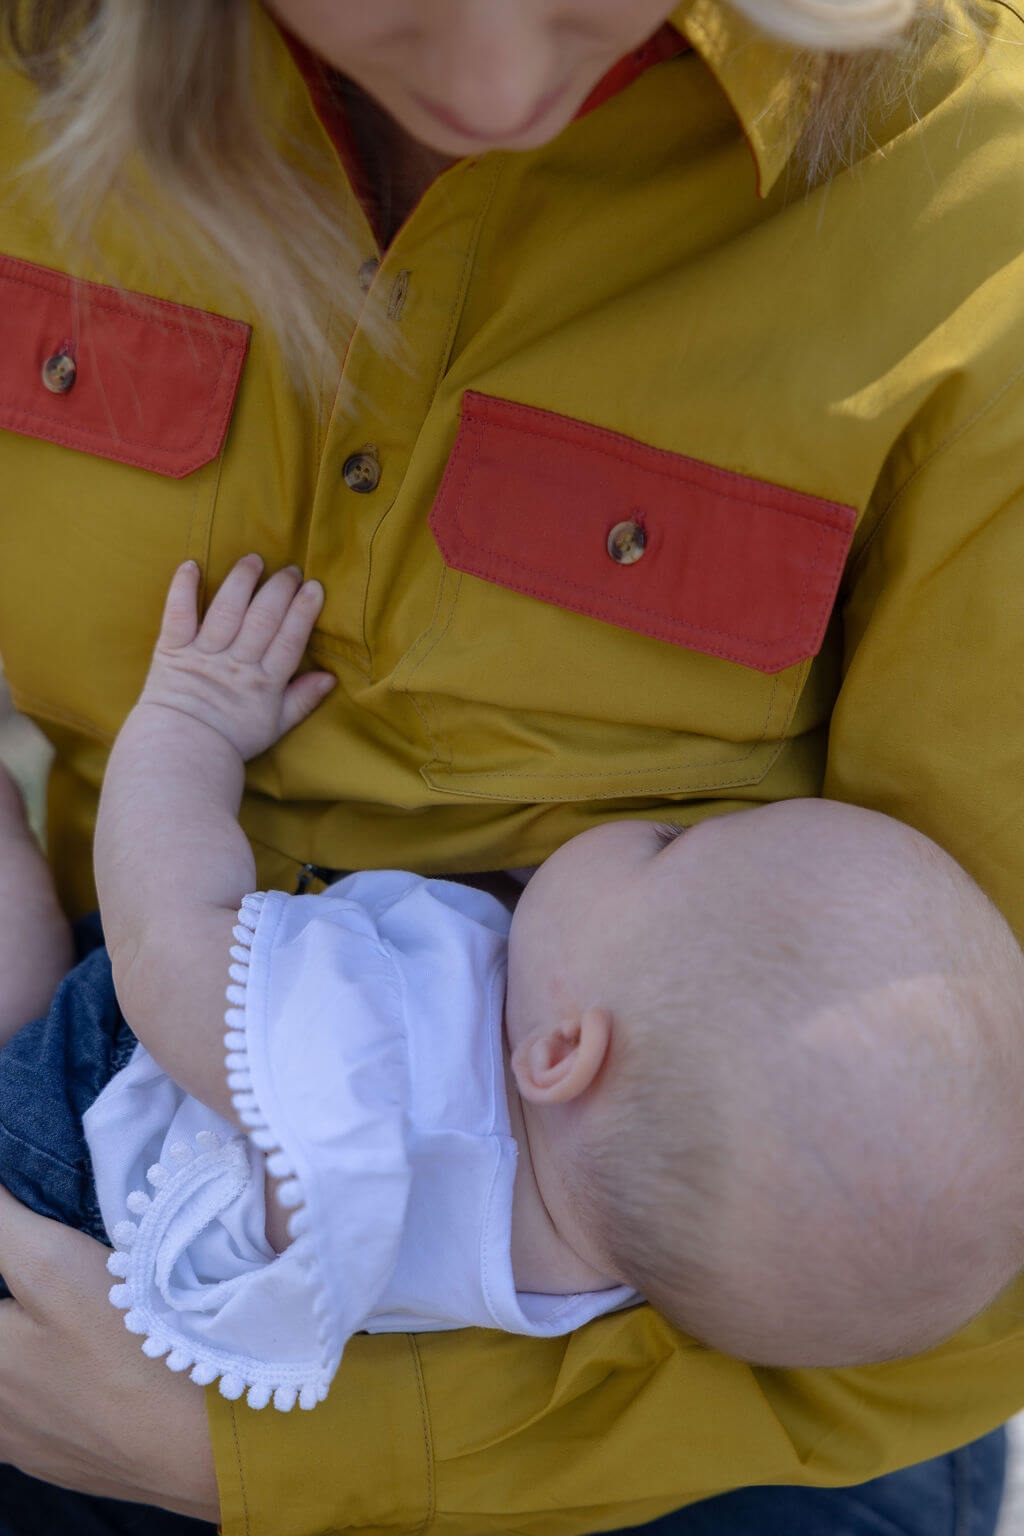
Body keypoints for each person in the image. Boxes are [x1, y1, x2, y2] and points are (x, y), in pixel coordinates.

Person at [2, 0, 1024, 1532]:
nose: (491, 86)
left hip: (671, 1373)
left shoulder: (977, 218)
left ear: (564, 1049)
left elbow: (956, 1207)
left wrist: (253, 1459)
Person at [5, 556, 1023, 1420]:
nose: (641, 824)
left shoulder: (382, 1072)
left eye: (666, 849)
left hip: (72, 1134)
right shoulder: (620, 1241)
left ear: (561, 1052)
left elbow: (164, 936)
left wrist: (189, 723)